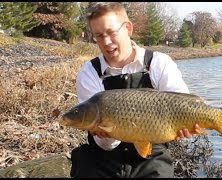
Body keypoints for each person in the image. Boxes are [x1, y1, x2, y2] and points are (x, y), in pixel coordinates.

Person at [70, 2, 200, 178]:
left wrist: (185, 126)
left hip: (152, 156)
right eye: (99, 36)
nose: (106, 42)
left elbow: (183, 102)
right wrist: (105, 132)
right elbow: (105, 145)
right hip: (103, 156)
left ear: (128, 28)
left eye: (111, 33)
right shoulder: (89, 72)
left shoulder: (158, 63)